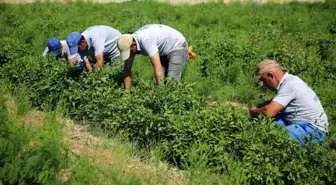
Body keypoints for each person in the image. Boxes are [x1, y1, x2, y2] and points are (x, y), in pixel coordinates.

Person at [250, 59, 328, 146]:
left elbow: (268, 112)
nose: (264, 85)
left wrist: (254, 111)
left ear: (270, 75)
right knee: (258, 122)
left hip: (312, 129)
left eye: (264, 80)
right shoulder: (289, 81)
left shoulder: (289, 85)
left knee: (274, 138)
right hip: (302, 125)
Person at [117, 24, 189, 91]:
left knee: (171, 81)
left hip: (177, 45)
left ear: (133, 44)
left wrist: (161, 94)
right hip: (163, 48)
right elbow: (127, 69)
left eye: (129, 51)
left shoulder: (146, 40)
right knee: (156, 83)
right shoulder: (129, 42)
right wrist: (127, 92)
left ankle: (172, 101)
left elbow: (158, 69)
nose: (129, 54)